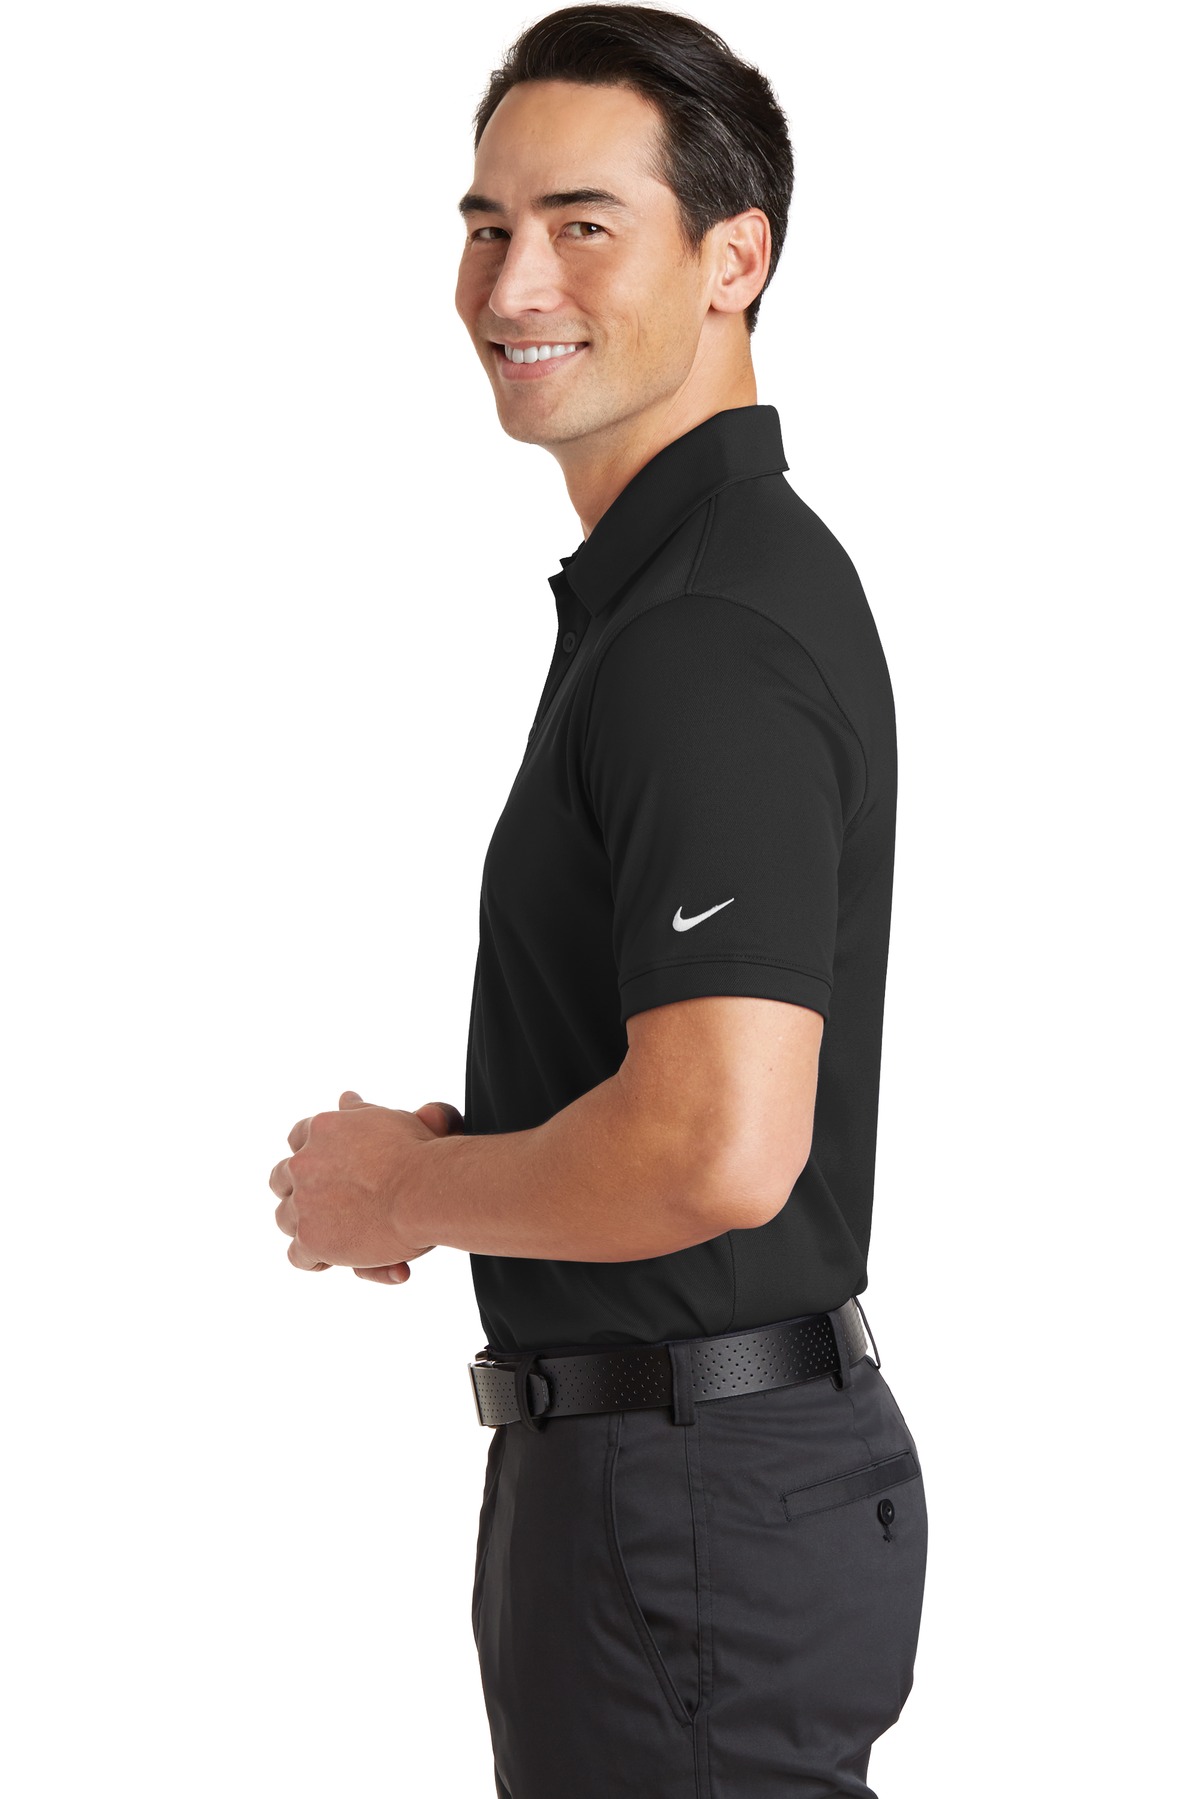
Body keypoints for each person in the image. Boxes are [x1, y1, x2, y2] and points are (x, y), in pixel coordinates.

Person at [269, 6, 929, 1794]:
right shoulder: (687, 590)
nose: (511, 285)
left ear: (736, 260)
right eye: (486, 226)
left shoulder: (700, 633)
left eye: (581, 224)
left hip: (683, 1503)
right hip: (680, 1493)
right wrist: (484, 1157)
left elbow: (717, 1147)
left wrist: (404, 1190)